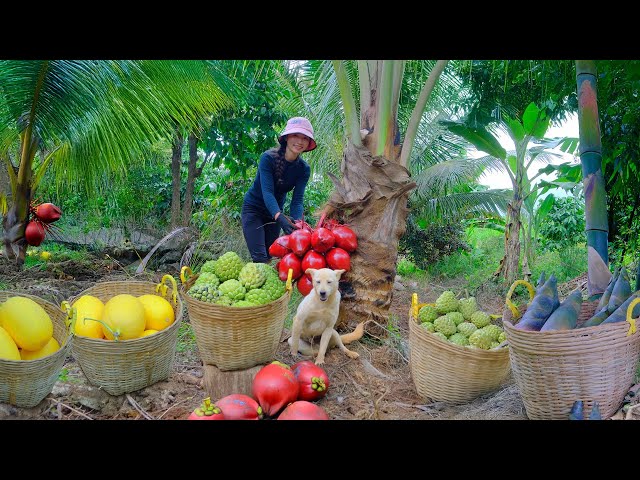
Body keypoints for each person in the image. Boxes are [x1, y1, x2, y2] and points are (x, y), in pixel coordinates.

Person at [241, 116, 315, 263]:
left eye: (304, 138)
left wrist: (299, 224)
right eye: (295, 135)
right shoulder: (268, 158)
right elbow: (267, 192)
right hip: (254, 210)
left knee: (270, 255)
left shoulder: (304, 169)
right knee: (260, 258)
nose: (299, 141)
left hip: (274, 213)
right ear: (287, 137)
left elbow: (297, 200)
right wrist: (279, 216)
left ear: (308, 143)